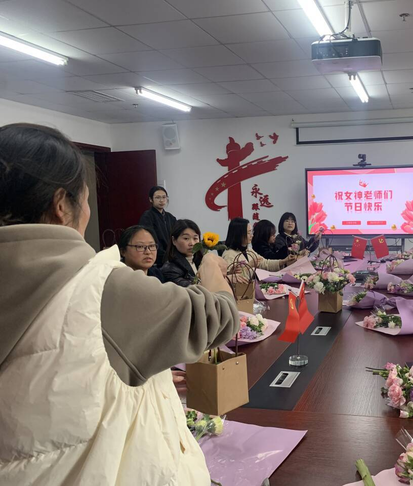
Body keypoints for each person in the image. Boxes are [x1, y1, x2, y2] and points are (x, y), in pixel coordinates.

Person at [0, 123, 239, 485]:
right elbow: (219, 317)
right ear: (62, 205)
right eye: (86, 199)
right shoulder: (100, 288)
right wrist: (209, 267)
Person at [223, 217, 296, 283]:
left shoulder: (249, 250)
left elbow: (264, 263)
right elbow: (232, 279)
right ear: (239, 234)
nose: (252, 235)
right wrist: (250, 265)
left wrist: (284, 261)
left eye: (251, 232)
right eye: (248, 233)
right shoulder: (229, 254)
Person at [139, 185, 176, 266]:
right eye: (157, 197)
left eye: (164, 197)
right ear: (151, 199)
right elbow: (149, 239)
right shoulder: (147, 216)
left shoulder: (171, 217)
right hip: (156, 257)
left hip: (171, 256)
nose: (161, 200)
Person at [161, 219, 202, 287]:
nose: (192, 243)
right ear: (174, 240)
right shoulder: (170, 270)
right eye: (186, 238)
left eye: (195, 238)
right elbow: (194, 290)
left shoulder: (200, 261)